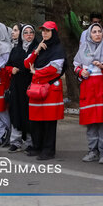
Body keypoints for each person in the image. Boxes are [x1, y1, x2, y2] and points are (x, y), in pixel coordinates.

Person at [24, 21, 66, 160]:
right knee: (36, 120)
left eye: (48, 31)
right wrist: (36, 51)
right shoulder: (40, 47)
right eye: (43, 31)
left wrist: (36, 72)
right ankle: (37, 147)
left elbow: (55, 69)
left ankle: (48, 150)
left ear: (53, 32)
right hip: (37, 89)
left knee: (49, 121)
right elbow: (26, 64)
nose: (45, 33)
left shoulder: (58, 48)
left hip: (50, 89)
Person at [73, 23, 103, 164]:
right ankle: (92, 151)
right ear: (89, 34)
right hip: (88, 89)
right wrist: (80, 71)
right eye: (94, 32)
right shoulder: (83, 48)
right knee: (90, 122)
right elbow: (75, 64)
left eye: (99, 31)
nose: (97, 34)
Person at [6, 24, 38, 152]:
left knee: (29, 113)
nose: (28, 35)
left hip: (31, 85)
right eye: (26, 33)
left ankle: (30, 142)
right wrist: (11, 70)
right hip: (16, 85)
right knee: (16, 111)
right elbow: (7, 65)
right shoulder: (16, 49)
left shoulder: (37, 49)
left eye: (31, 33)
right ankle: (16, 141)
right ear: (22, 35)